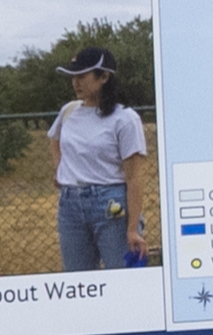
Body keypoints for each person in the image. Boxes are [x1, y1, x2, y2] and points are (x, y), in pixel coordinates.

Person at [47, 49, 149, 270]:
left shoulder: (125, 119)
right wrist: (59, 169)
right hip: (70, 205)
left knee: (121, 275)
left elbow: (134, 177)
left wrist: (132, 228)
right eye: (73, 76)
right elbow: (55, 139)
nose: (76, 82)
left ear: (104, 77)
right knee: (78, 280)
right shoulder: (69, 111)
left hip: (111, 206)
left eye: (82, 76)